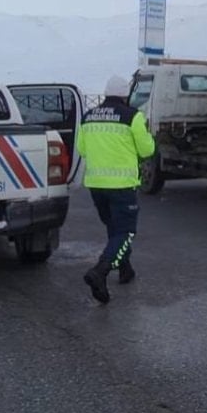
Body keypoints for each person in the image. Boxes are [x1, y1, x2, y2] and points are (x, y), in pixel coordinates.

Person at [78, 75, 156, 304]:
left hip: (96, 185)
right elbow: (147, 150)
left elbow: (82, 149)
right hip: (122, 186)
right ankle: (100, 271)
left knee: (114, 229)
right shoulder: (132, 116)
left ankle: (125, 268)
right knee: (126, 232)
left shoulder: (89, 116)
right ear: (125, 95)